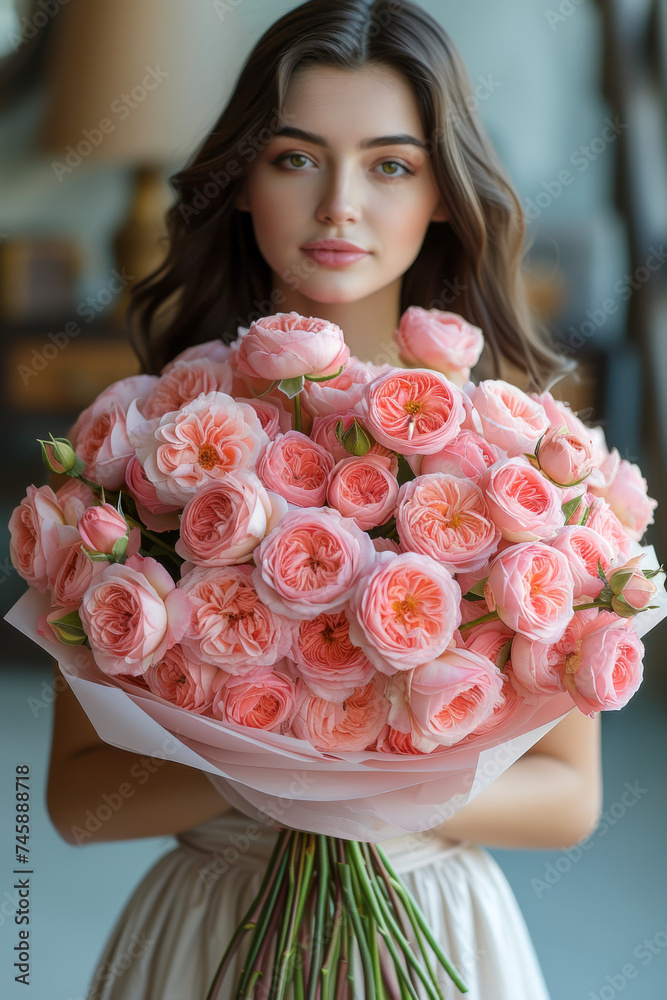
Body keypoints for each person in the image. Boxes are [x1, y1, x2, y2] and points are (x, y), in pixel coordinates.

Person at [46, 2, 603, 997]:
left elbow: (569, 797)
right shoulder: (148, 449)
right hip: (213, 930)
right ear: (244, 181)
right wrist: (276, 768)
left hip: (432, 920)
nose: (339, 202)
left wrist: (374, 786)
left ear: (440, 191)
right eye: (296, 157)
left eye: (389, 163)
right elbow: (80, 801)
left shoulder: (521, 464)